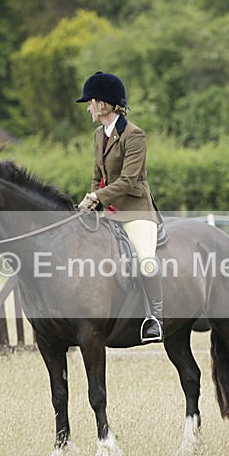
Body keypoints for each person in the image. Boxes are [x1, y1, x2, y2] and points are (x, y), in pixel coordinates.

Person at [75, 71, 164, 343]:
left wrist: (97, 197)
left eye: (90, 103)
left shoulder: (134, 135)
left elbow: (128, 180)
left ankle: (155, 318)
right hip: (108, 212)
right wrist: (91, 198)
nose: (88, 108)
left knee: (146, 260)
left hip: (136, 210)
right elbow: (96, 174)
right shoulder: (98, 134)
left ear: (102, 104)